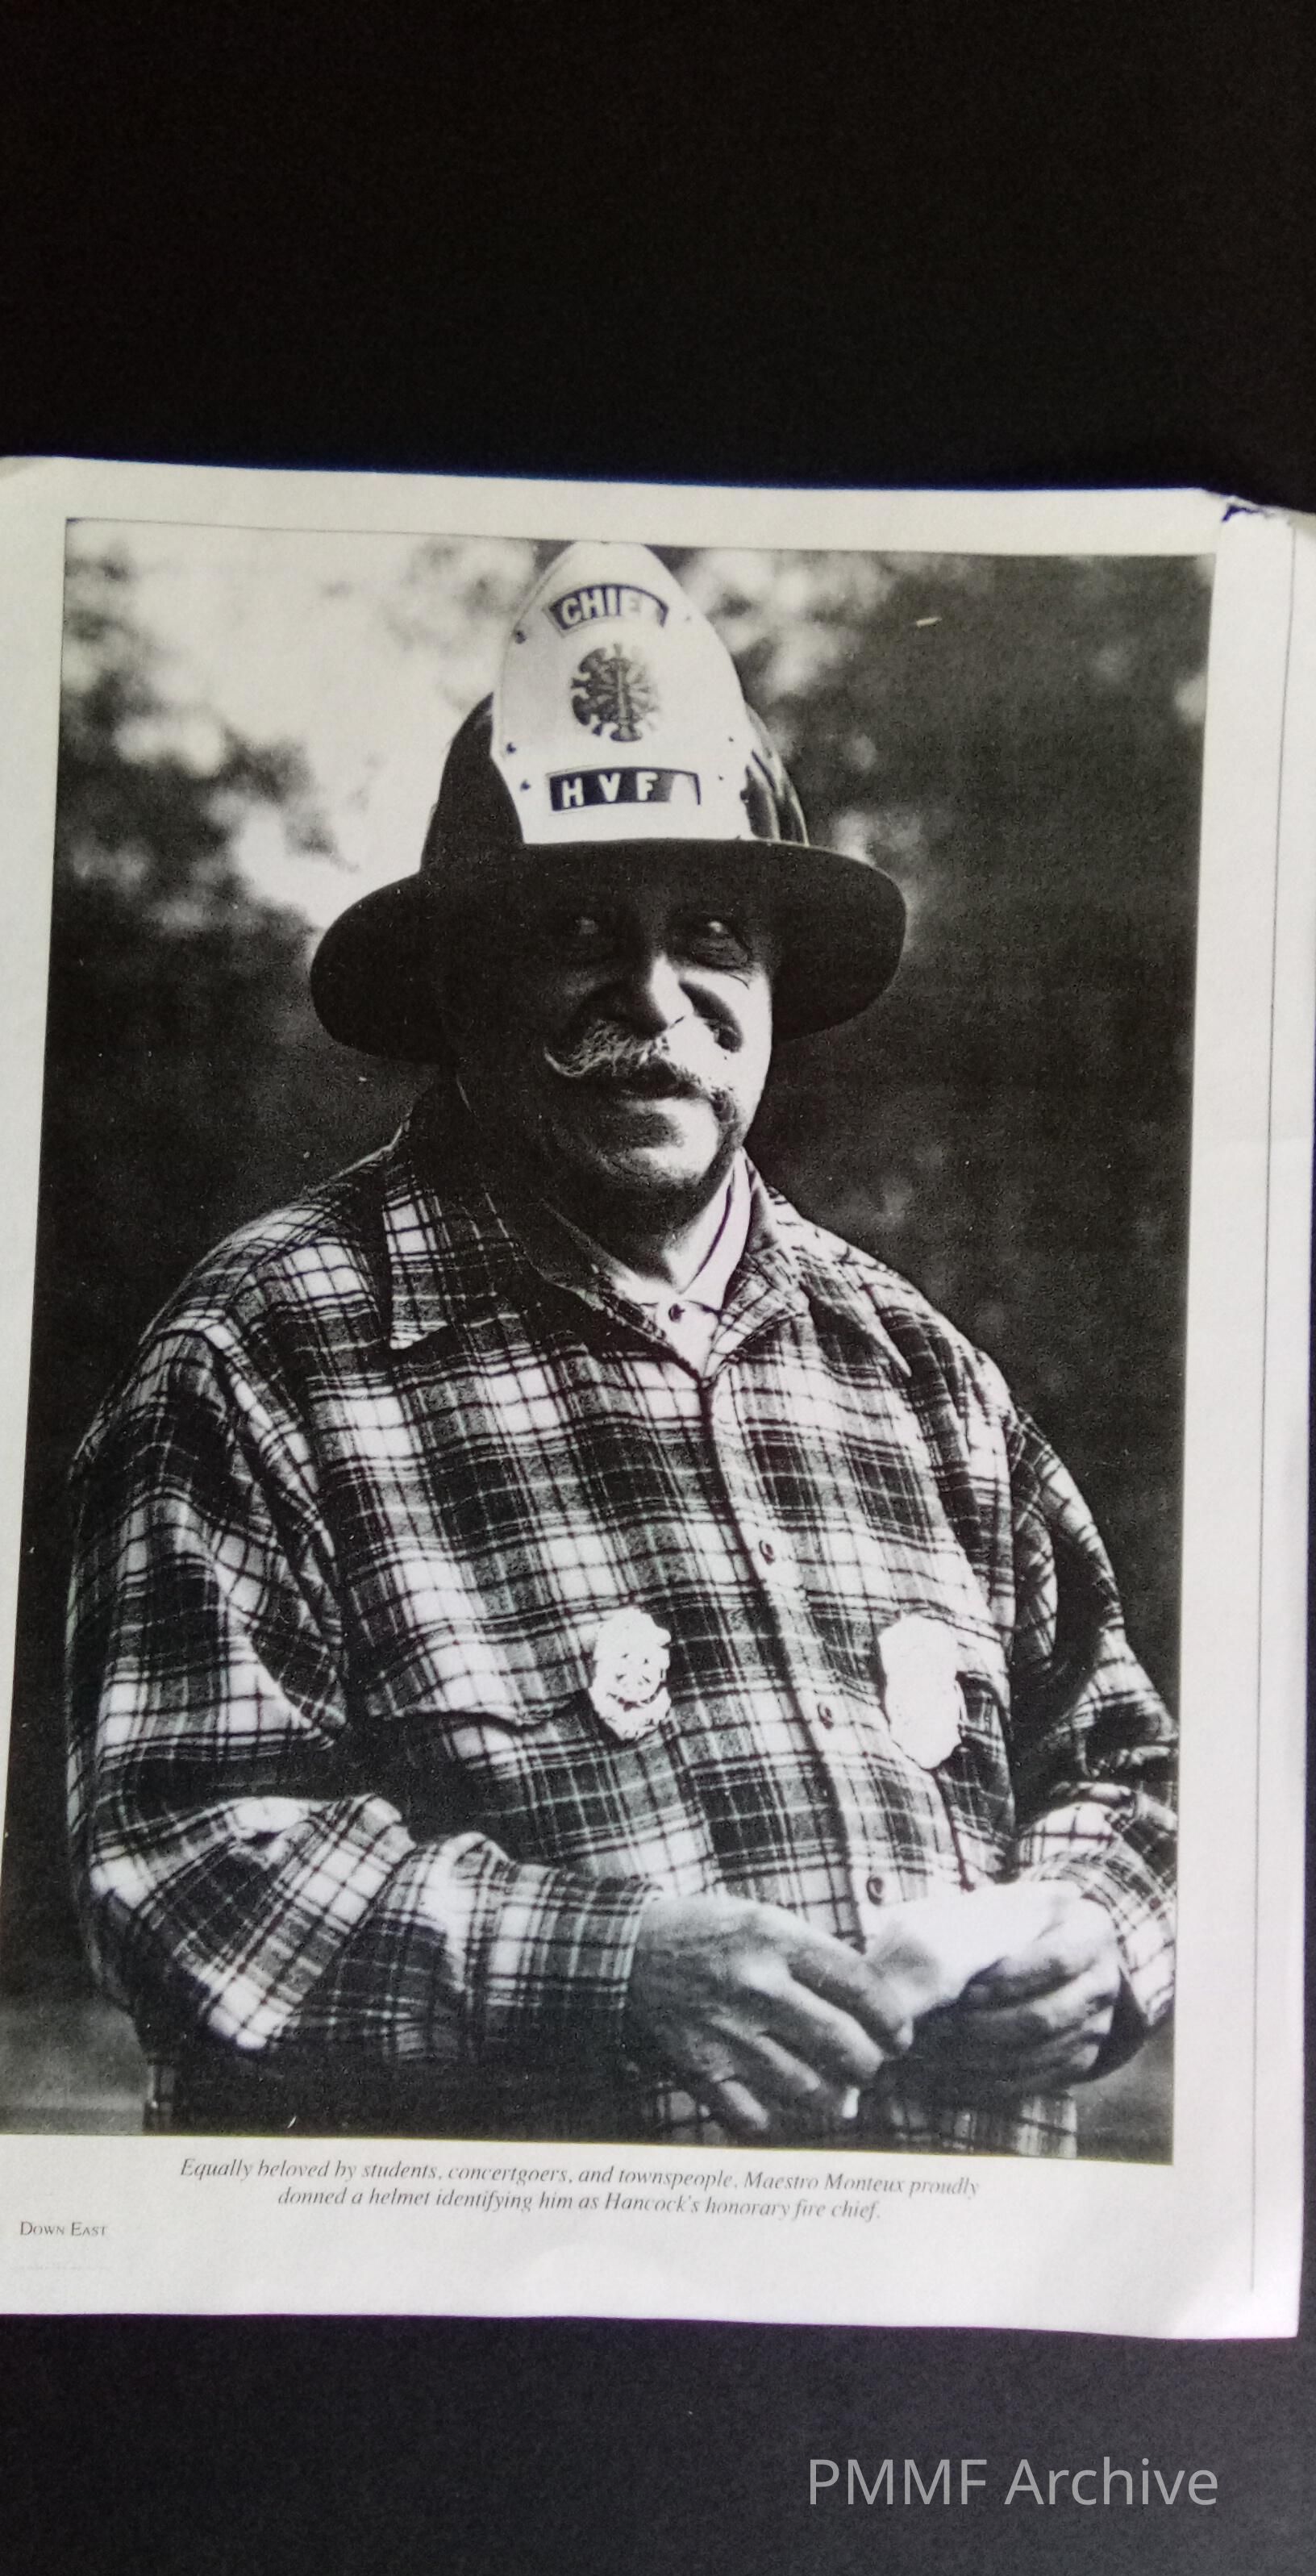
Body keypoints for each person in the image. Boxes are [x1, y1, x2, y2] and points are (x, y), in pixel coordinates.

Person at [66, 542, 1176, 2153]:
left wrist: (1099, 1941)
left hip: (932, 2277)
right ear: (458, 983)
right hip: (495, 2301)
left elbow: (1130, 1772)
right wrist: (611, 1970)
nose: (656, 997)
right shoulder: (258, 1360)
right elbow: (186, 1866)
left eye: (713, 933)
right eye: (579, 930)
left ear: (773, 988)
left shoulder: (923, 1375)